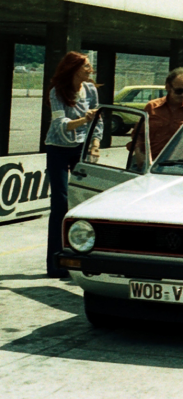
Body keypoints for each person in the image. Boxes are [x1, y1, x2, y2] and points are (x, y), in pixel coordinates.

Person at [44, 52, 103, 278]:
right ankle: (55, 263)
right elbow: (60, 125)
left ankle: (79, 259)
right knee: (60, 202)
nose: (90, 70)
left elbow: (98, 120)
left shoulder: (90, 90)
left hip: (81, 147)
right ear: (74, 68)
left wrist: (95, 143)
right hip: (58, 148)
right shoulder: (57, 92)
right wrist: (84, 120)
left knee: (81, 203)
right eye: (87, 66)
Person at [142, 67, 183, 159]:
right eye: (179, 91)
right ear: (168, 87)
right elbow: (139, 136)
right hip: (150, 161)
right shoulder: (152, 108)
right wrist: (139, 154)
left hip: (177, 165)